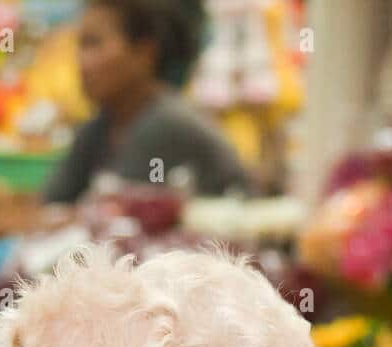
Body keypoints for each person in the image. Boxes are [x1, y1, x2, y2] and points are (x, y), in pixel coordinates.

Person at [42, 0, 252, 204]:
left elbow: (119, 212)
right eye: (80, 45)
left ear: (145, 54)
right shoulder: (99, 127)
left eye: (94, 43)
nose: (81, 61)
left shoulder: (166, 124)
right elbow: (54, 200)